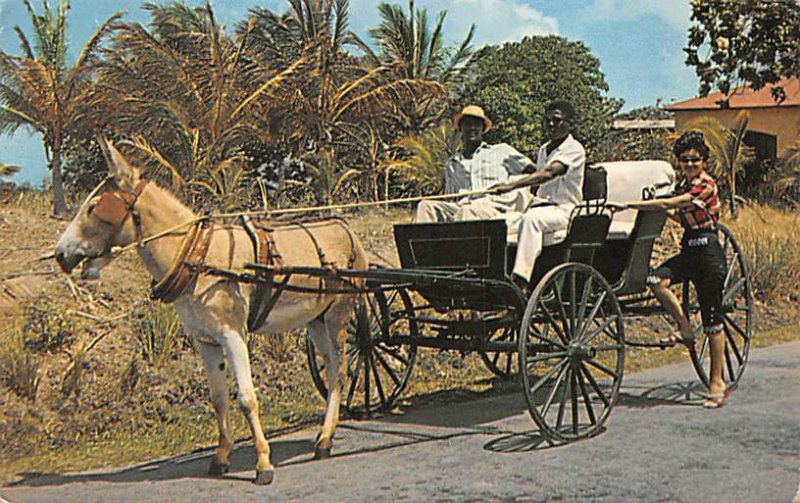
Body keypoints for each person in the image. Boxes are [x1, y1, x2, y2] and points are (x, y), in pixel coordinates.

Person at [614, 131, 728, 408]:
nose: (689, 165)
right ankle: (685, 328)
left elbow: (675, 203)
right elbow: (677, 213)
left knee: (713, 320)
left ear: (704, 161)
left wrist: (638, 204)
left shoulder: (706, 185)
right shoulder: (684, 187)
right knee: (655, 280)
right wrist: (658, 203)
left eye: (695, 160)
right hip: (690, 249)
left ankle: (717, 383)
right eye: (684, 160)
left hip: (709, 252)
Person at [491, 100, 586, 287]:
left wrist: (511, 186)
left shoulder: (574, 149)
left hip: (564, 211)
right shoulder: (544, 149)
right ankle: (495, 276)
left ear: (571, 124)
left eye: (557, 120)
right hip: (539, 207)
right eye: (547, 120)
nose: (550, 125)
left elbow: (548, 173)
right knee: (499, 223)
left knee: (531, 220)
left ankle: (520, 280)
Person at [415, 105, 535, 225]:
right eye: (467, 124)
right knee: (425, 206)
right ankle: (422, 243)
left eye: (476, 124)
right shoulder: (452, 163)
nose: (472, 128)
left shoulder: (502, 151)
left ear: (483, 128)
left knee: (467, 211)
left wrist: (514, 186)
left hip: (492, 207)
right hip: (461, 207)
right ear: (460, 128)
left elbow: (536, 172)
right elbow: (451, 197)